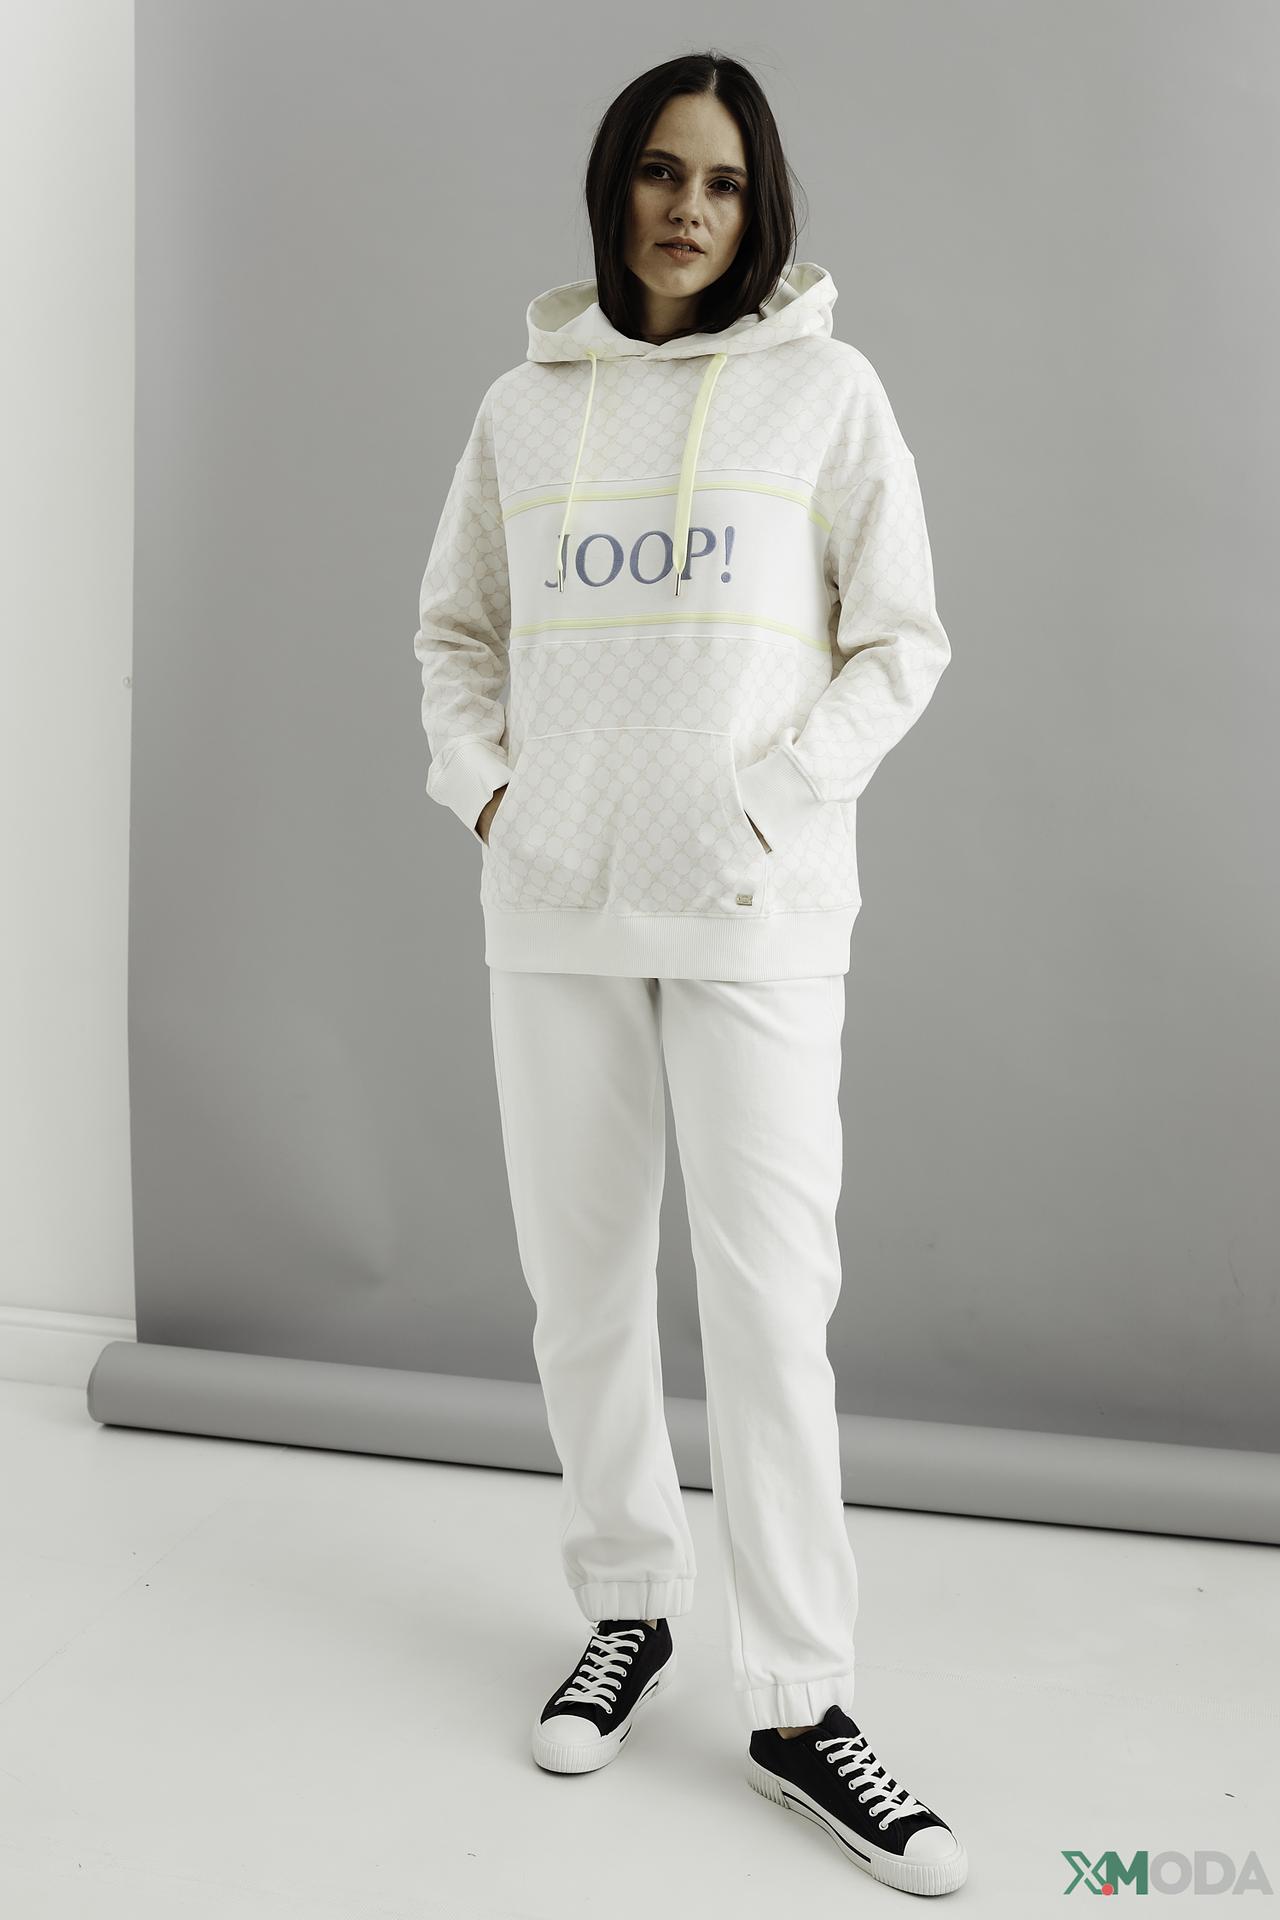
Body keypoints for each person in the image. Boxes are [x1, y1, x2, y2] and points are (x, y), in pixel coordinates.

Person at [413, 49, 967, 1898]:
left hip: (752, 911)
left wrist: (772, 805)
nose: (688, 209)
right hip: (556, 905)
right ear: (615, 187)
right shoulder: (522, 408)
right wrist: (495, 797)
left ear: (760, 206)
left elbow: (901, 639)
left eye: (722, 182)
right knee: (581, 1297)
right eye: (661, 172)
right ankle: (628, 1607)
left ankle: (803, 1702)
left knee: (769, 1310)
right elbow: (454, 631)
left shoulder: (826, 392)